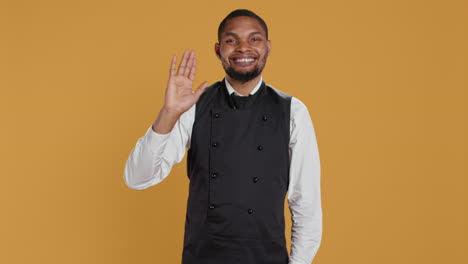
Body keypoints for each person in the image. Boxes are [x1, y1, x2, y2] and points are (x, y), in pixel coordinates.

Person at [124, 9, 322, 264]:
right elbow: (137, 178)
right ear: (218, 50)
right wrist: (169, 112)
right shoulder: (193, 106)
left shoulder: (293, 111)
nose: (243, 48)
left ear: (268, 47)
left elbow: (306, 204)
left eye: (254, 39)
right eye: (232, 40)